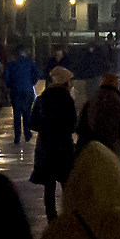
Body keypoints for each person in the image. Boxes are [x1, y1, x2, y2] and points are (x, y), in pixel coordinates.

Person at [29, 65, 81, 220]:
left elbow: (32, 123)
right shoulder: (68, 101)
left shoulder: (41, 99)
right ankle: (69, 214)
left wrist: (46, 128)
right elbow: (73, 125)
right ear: (65, 83)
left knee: (49, 185)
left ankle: (51, 216)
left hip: (45, 146)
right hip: (64, 147)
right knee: (67, 183)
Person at [78, 71, 120, 161]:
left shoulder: (91, 101)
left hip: (93, 149)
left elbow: (80, 125)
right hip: (113, 149)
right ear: (116, 85)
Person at [4, 47, 39, 149]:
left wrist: (10, 85)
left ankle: (17, 136)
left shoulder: (11, 64)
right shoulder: (29, 63)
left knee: (17, 113)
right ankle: (27, 134)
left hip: (16, 91)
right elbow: (38, 73)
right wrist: (32, 82)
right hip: (27, 90)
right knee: (27, 112)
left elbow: (6, 76)